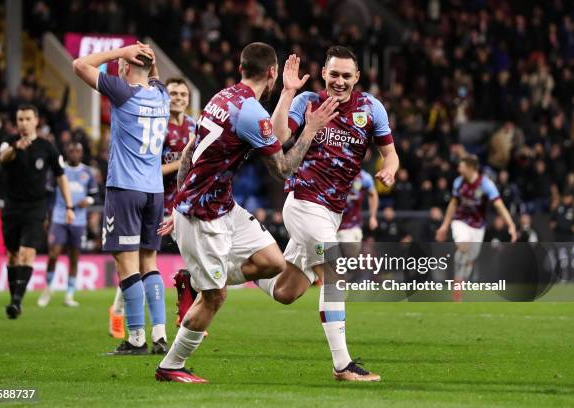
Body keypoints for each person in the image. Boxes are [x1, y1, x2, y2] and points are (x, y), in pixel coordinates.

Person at [155, 43, 338, 383]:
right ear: (271, 72)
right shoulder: (250, 113)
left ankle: (198, 280)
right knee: (215, 298)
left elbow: (192, 151)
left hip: (221, 205)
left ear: (241, 68)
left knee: (272, 261)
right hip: (203, 215)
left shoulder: (221, 98)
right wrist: (311, 129)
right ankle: (171, 365)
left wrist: (287, 92)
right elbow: (282, 169)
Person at [254, 46, 399, 381]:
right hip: (304, 202)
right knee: (334, 272)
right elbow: (276, 138)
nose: (339, 81)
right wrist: (288, 93)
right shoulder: (307, 102)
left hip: (333, 211)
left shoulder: (371, 108)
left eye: (346, 75)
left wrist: (389, 169)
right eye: (334, 74)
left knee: (286, 292)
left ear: (357, 78)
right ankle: (342, 365)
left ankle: (229, 268)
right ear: (324, 73)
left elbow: (390, 155)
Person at [73, 42, 170, 354]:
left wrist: (120, 52)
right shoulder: (162, 96)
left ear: (127, 67)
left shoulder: (123, 91)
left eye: (122, 66)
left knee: (126, 263)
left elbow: (79, 64)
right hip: (154, 190)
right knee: (149, 262)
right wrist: (146, 60)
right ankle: (159, 334)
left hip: (126, 189)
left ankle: (137, 338)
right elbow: (153, 75)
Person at [109, 77, 196, 338]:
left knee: (194, 259)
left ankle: (189, 316)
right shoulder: (156, 124)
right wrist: (183, 160)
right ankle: (118, 309)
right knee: (140, 261)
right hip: (155, 200)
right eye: (174, 93)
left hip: (184, 204)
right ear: (165, 97)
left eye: (183, 93)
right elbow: (152, 168)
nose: (179, 97)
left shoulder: (194, 126)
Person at [0, 104, 75, 319]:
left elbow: (61, 176)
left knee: (27, 252)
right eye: (20, 119)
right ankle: (15, 300)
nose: (23, 123)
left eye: (27, 119)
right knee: (12, 256)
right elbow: (2, 158)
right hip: (12, 207)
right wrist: (16, 148)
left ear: (36, 120)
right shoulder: (8, 142)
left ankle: (16, 301)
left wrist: (69, 206)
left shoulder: (47, 147)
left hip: (36, 207)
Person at [435, 155, 517, 301]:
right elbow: (453, 204)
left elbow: (499, 206)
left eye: (462, 166)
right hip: (460, 221)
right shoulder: (458, 182)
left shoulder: (486, 185)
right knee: (463, 246)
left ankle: (460, 281)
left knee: (470, 260)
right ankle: (457, 287)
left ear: (471, 168)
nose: (459, 168)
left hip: (478, 226)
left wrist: (511, 225)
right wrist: (445, 225)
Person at [38, 142, 98, 307]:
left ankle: (69, 294)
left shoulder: (87, 172)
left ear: (81, 153)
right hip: (59, 217)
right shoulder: (58, 170)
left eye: (77, 151)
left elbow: (95, 195)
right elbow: (48, 195)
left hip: (78, 220)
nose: (74, 153)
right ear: (66, 152)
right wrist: (46, 216)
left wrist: (89, 200)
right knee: (53, 255)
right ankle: (48, 288)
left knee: (74, 258)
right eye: (71, 150)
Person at [337, 169, 379, 256]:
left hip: (351, 227)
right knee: (323, 259)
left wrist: (373, 216)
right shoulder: (330, 171)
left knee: (349, 258)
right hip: (329, 224)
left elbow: (373, 194)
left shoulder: (363, 177)